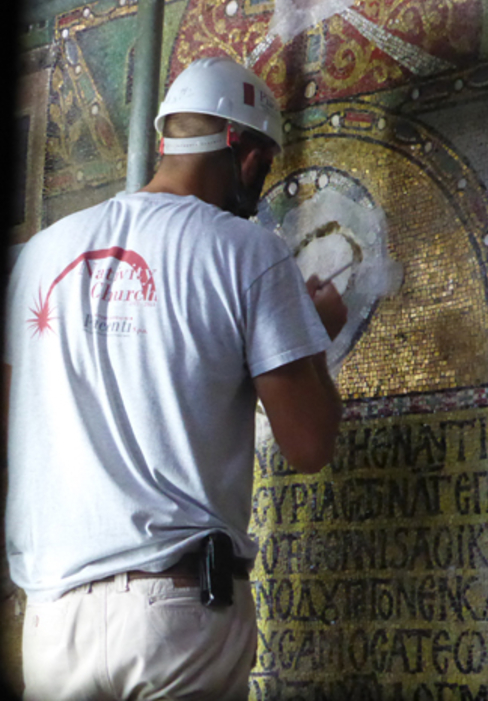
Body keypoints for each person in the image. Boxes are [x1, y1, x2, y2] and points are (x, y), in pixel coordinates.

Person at [2, 57, 345, 700]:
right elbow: (309, 446)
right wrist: (311, 334)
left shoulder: (41, 254)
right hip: (177, 615)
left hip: (51, 621)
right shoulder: (246, 251)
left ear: (166, 140)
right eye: (265, 164)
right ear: (243, 152)